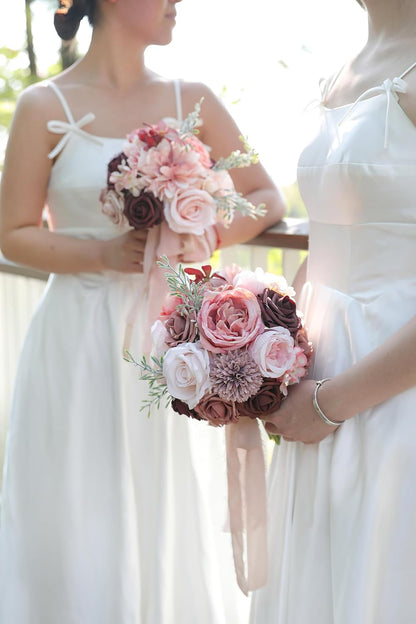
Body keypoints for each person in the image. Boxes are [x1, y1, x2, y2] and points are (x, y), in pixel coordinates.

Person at [0, 1, 285, 622]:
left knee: (170, 495)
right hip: (76, 339)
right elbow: (13, 233)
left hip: (174, 336)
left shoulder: (196, 98)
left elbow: (266, 195)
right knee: (77, 501)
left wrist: (199, 228)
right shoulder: (44, 107)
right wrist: (103, 253)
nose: (176, 2)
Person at [250, 0, 416, 622]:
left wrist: (330, 404)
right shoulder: (342, 72)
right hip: (317, 380)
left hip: (392, 391)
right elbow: (329, 244)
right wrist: (260, 334)